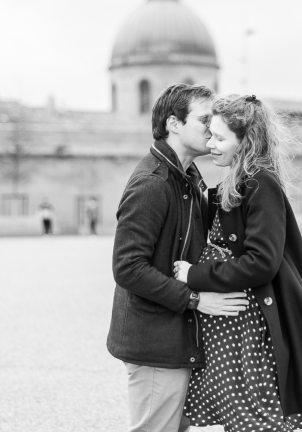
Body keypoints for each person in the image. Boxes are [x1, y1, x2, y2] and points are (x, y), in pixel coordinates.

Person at [174, 94, 302, 432]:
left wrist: (194, 275)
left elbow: (262, 263)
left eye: (220, 138)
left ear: (245, 142)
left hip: (250, 332)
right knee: (243, 419)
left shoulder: (260, 183)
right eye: (210, 134)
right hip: (235, 329)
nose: (211, 143)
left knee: (255, 420)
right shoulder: (237, 181)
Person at [107, 83, 251, 432]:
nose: (212, 127)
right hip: (155, 340)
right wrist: (195, 299)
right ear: (173, 123)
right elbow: (127, 267)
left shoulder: (187, 178)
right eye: (204, 119)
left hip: (176, 336)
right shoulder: (153, 183)